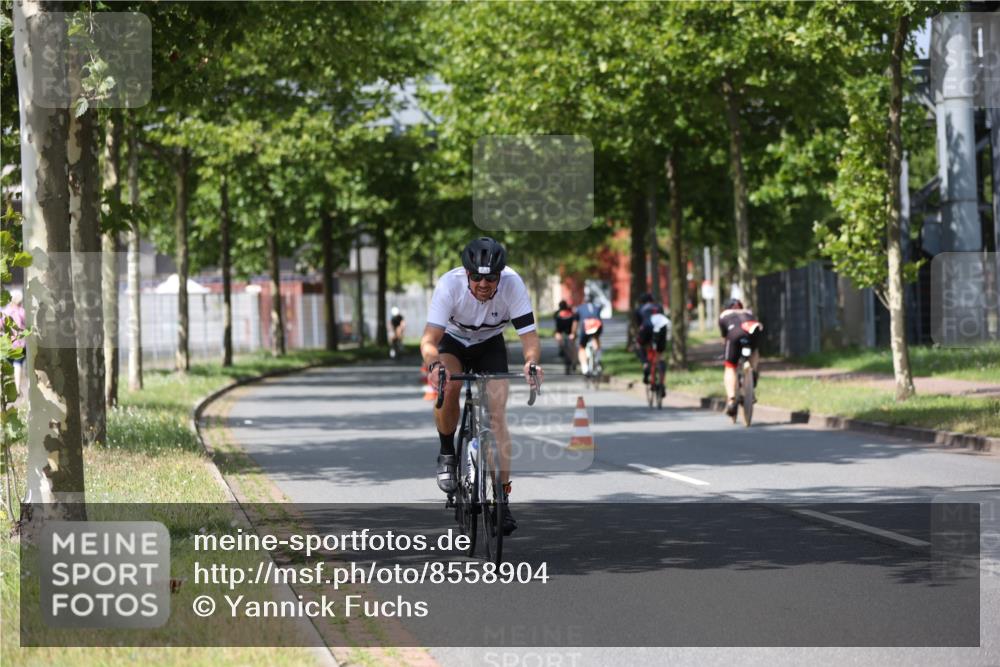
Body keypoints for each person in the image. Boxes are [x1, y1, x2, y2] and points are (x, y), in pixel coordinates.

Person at [420, 237, 544, 536]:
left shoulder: (513, 285)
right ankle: (448, 452)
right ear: (466, 274)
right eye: (476, 277)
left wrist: (531, 363)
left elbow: (529, 338)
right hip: (453, 342)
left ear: (501, 275)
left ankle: (502, 497)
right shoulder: (449, 285)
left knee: (498, 414)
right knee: (449, 388)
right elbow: (428, 340)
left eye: (491, 277)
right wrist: (435, 366)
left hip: (490, 344)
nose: (484, 284)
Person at [718, 298, 763, 417]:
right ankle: (753, 372)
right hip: (753, 330)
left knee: (730, 367)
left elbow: (724, 337)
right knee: (754, 351)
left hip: (735, 333)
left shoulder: (724, 315)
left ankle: (732, 400)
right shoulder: (748, 312)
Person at [633, 292, 670, 387]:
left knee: (639, 345)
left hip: (647, 327)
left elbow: (638, 326)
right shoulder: (659, 306)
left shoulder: (639, 309)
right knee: (659, 355)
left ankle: (645, 364)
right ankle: (662, 383)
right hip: (661, 327)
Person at [571, 289, 603, 376]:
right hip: (597, 325)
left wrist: (573, 333)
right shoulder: (597, 307)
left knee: (582, 347)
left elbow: (575, 323)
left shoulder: (579, 308)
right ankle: (598, 358)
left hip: (586, 326)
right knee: (596, 338)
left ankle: (585, 368)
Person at [2, 288, 26, 398]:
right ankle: (17, 389)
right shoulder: (22, 312)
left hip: (7, 344)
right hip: (19, 344)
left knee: (7, 367)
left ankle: (7, 389)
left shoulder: (5, 312)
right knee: (18, 365)